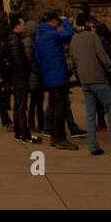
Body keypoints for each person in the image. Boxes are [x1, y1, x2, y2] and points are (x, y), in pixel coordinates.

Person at [68, 13, 111, 157]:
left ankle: (94, 146)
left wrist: (80, 77)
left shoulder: (74, 40)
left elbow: (73, 64)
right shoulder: (93, 37)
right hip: (99, 80)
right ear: (88, 24)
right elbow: (103, 58)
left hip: (85, 82)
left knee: (91, 114)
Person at [34, 10, 77, 150]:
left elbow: (37, 57)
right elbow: (70, 34)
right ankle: (59, 138)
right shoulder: (52, 34)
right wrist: (65, 21)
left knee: (53, 106)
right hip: (58, 75)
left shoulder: (39, 36)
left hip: (48, 75)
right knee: (60, 107)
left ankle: (54, 135)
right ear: (53, 21)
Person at [6, 16, 40, 144]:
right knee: (21, 106)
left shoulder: (14, 39)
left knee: (18, 105)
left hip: (16, 77)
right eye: (23, 24)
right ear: (17, 26)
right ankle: (24, 134)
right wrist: (24, 75)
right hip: (19, 78)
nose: (24, 26)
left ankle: (19, 132)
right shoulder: (15, 41)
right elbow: (19, 61)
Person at [24, 18, 46, 134]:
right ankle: (33, 123)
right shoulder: (29, 41)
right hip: (34, 76)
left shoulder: (33, 40)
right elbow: (30, 59)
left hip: (36, 75)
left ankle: (40, 123)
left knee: (38, 100)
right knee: (35, 100)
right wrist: (38, 70)